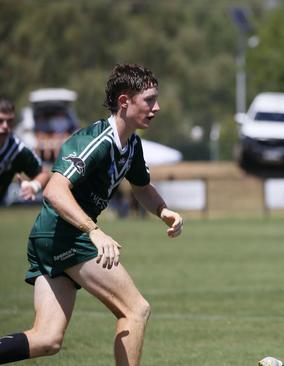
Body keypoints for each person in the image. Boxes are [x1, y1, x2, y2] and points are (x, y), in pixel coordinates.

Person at [0, 64, 183, 365]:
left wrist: (163, 211)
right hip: (65, 233)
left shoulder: (132, 145)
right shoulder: (96, 141)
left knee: (47, 339)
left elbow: (142, 187)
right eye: (149, 100)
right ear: (125, 102)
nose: (157, 107)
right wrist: (93, 230)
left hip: (51, 236)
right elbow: (54, 190)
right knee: (135, 309)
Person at [0, 98, 50, 203]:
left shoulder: (17, 150)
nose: (5, 126)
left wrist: (33, 186)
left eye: (9, 121)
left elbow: (44, 174)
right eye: (0, 121)